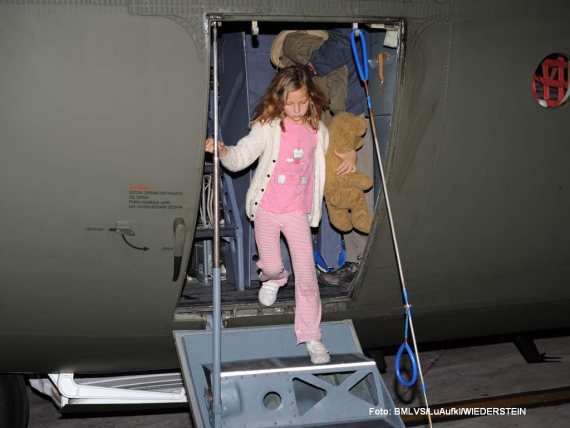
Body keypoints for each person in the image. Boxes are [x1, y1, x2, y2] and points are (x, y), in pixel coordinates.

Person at [205, 65, 332, 364]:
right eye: (290, 103)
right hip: (267, 209)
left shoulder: (318, 131)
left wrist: (349, 155)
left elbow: (334, 154)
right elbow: (243, 156)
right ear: (279, 100)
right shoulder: (268, 126)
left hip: (298, 213)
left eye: (303, 102)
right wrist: (224, 153)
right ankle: (274, 278)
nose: (297, 109)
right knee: (273, 265)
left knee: (307, 276)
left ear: (311, 98)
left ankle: (311, 336)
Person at [308, 28, 375, 286]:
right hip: (345, 111)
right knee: (344, 186)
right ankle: (356, 258)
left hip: (355, 111)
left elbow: (344, 38)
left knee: (359, 189)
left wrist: (313, 63)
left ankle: (361, 262)